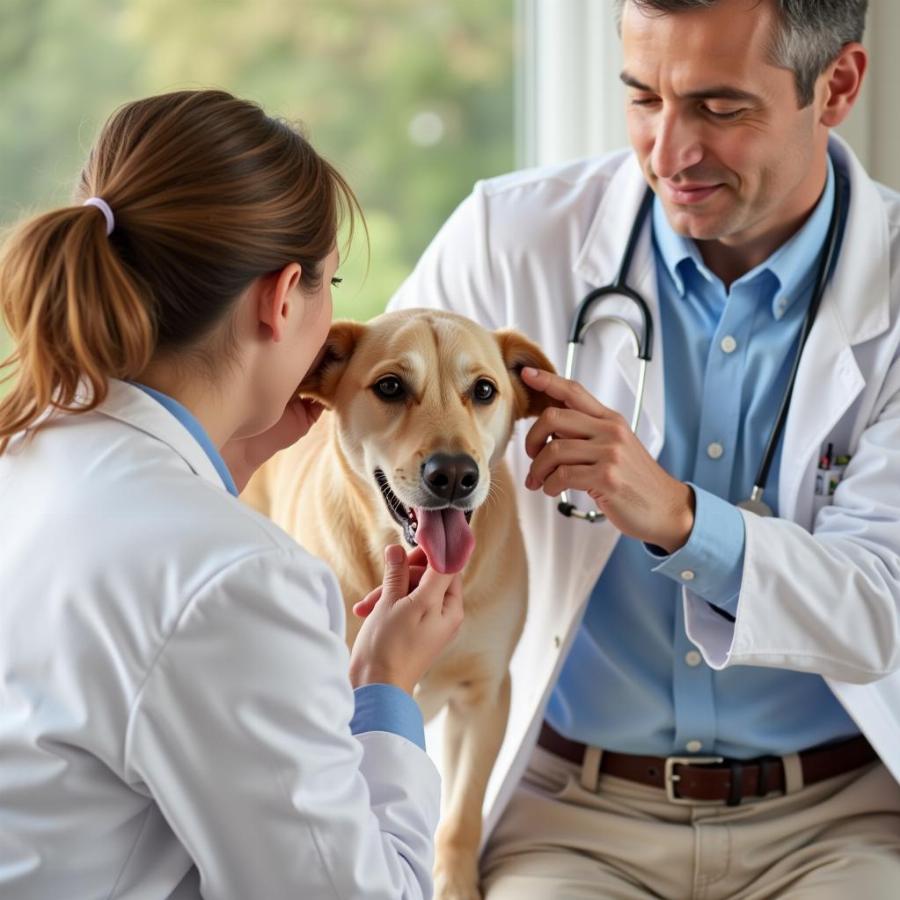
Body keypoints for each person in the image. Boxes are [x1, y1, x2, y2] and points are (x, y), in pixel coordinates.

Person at [389, 0, 900, 896]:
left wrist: (678, 518)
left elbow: (880, 607)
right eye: (642, 99)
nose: (668, 153)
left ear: (839, 85)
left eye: (719, 108)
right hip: (570, 818)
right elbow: (359, 459)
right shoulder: (509, 241)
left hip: (841, 822)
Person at [0, 89, 464, 899]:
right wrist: (384, 687)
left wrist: (229, 453)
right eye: (330, 285)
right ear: (282, 299)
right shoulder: (239, 580)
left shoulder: (30, 449)